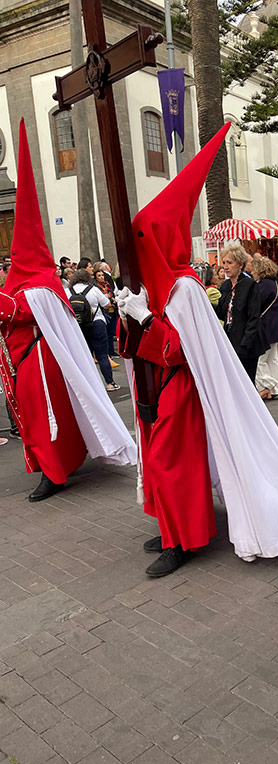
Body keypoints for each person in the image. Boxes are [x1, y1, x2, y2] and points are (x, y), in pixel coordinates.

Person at [118, 123, 278, 576]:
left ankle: (184, 541)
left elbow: (179, 350)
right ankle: (171, 526)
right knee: (157, 462)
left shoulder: (184, 288)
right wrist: (127, 315)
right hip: (153, 389)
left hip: (180, 388)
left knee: (175, 464)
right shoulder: (155, 286)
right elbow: (135, 346)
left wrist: (146, 319)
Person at [0, 119, 135, 502]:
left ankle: (55, 471)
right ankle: (52, 463)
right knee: (39, 416)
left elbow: (12, 311)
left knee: (47, 417)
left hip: (39, 361)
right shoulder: (30, 282)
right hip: (29, 360)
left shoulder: (40, 285)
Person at [216, 244, 267, 382]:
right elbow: (221, 313)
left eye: (230, 263)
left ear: (240, 264)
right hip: (231, 341)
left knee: (247, 382)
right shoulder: (225, 286)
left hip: (247, 344)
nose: (226, 266)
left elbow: (253, 317)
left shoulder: (250, 285)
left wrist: (245, 344)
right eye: (224, 263)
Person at [69, 269, 119, 391]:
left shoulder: (68, 291)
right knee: (102, 355)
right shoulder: (93, 290)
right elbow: (107, 304)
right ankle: (110, 383)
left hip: (78, 326)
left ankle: (90, 387)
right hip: (97, 324)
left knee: (84, 357)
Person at [252, 257, 278, 400]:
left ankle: (269, 385)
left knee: (259, 359)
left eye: (254, 269)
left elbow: (256, 304)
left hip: (266, 327)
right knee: (272, 359)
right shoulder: (273, 283)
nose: (252, 272)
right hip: (274, 326)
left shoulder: (264, 285)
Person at [94, 266, 119, 361]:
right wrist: (106, 296)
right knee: (106, 332)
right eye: (99, 276)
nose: (101, 277)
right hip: (105, 311)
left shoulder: (107, 285)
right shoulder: (96, 287)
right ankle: (108, 352)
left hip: (112, 310)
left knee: (111, 332)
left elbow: (111, 293)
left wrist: (112, 298)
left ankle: (112, 351)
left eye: (102, 275)